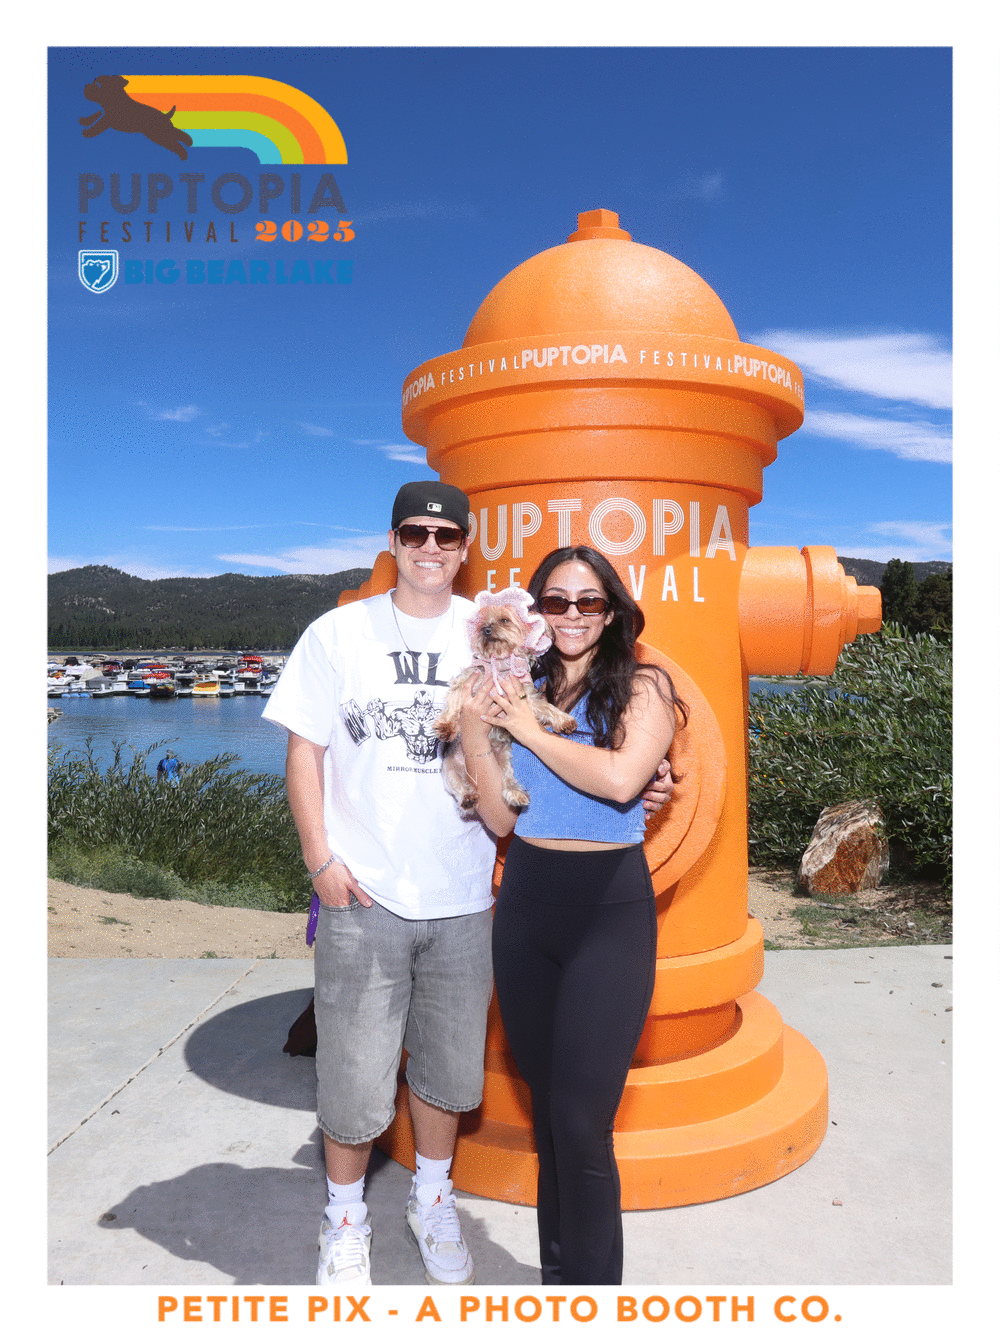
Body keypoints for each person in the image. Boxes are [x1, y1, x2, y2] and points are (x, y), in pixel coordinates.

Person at [263, 486, 673, 1289]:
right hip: (391, 894)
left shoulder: (504, 639)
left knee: (477, 1084)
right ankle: (346, 1219)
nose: (430, 546)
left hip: (483, 902)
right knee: (359, 1076)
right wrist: (320, 860)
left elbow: (603, 773)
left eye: (446, 534)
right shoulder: (349, 635)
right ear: (393, 540)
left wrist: (640, 780)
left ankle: (448, 1209)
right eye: (415, 532)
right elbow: (314, 753)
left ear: (465, 544)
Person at [458, 545, 685, 1286]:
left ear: (612, 612)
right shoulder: (518, 687)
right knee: (552, 1119)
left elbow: (621, 781)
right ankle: (562, 1285)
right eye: (556, 602)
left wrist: (528, 731)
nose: (572, 616)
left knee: (585, 1126)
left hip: (606, 912)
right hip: (527, 905)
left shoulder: (644, 687)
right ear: (535, 614)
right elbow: (501, 819)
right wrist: (479, 732)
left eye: (589, 602)